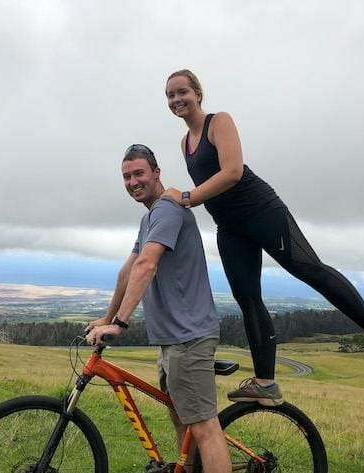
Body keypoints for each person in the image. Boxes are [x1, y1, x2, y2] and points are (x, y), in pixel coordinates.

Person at [162, 69, 364, 406]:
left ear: (198, 93)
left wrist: (187, 197)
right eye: (170, 95)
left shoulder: (220, 122)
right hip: (229, 226)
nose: (176, 100)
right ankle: (265, 382)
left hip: (260, 210)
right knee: (247, 298)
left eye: (182, 92)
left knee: (308, 269)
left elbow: (231, 172)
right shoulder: (184, 143)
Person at [86, 144, 231, 473]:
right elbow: (129, 269)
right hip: (173, 338)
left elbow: (147, 265)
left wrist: (120, 323)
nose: (133, 182)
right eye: (126, 177)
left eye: (139, 173)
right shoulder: (151, 216)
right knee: (182, 419)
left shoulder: (167, 210)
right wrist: (107, 317)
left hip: (189, 337)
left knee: (206, 429)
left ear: (156, 173)